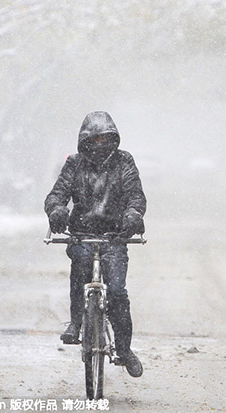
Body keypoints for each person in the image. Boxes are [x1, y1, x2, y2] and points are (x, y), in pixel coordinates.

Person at [44, 111, 146, 378]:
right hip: (81, 235)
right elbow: (57, 194)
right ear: (85, 140)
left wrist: (133, 215)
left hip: (115, 236)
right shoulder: (75, 164)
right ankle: (77, 323)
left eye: (105, 139)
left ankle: (124, 349)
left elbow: (136, 195)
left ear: (113, 139)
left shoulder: (125, 161)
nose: (100, 145)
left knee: (118, 292)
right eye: (95, 139)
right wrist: (56, 210)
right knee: (80, 268)